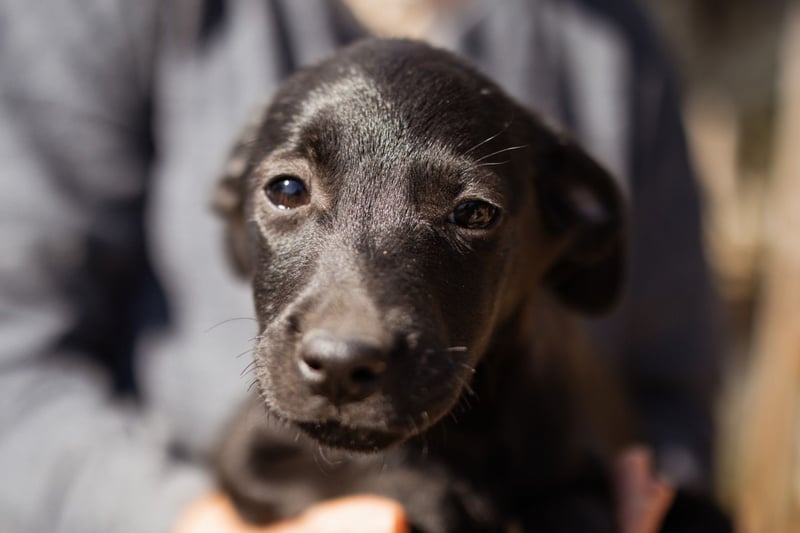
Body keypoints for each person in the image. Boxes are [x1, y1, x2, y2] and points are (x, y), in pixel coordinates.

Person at [0, 0, 719, 531]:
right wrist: (194, 522)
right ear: (235, 211)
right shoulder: (107, 17)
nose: (349, 337)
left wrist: (653, 495)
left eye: (470, 213)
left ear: (575, 229)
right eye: (287, 190)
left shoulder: (613, 43)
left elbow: (671, 396)